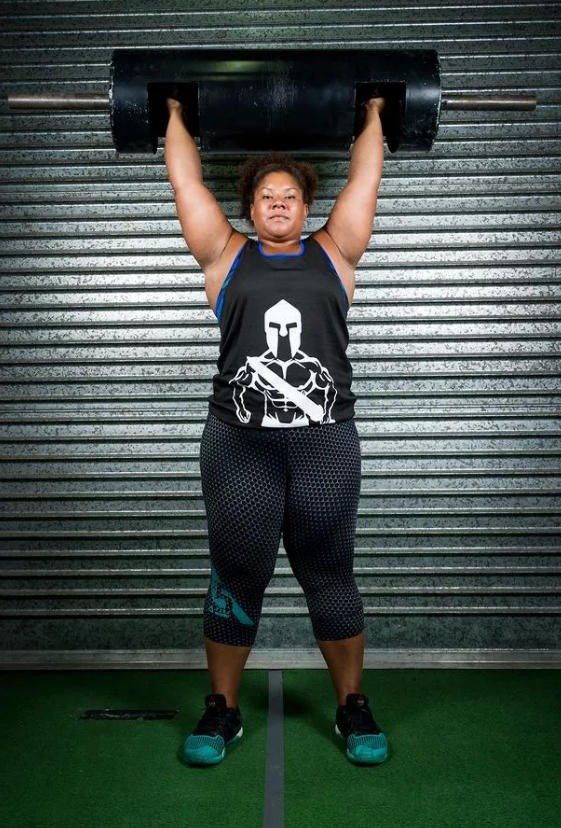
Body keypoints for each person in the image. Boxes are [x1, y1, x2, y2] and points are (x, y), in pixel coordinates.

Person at [164, 95, 387, 766]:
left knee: (330, 570)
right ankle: (222, 710)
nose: (280, 203)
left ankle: (352, 706)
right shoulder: (223, 255)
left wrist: (375, 112)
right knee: (236, 569)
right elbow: (185, 183)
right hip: (238, 443)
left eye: (290, 195)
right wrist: (173, 111)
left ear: (307, 205)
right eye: (267, 196)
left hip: (325, 443)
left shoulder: (336, 251)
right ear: (250, 208)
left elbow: (366, 178)